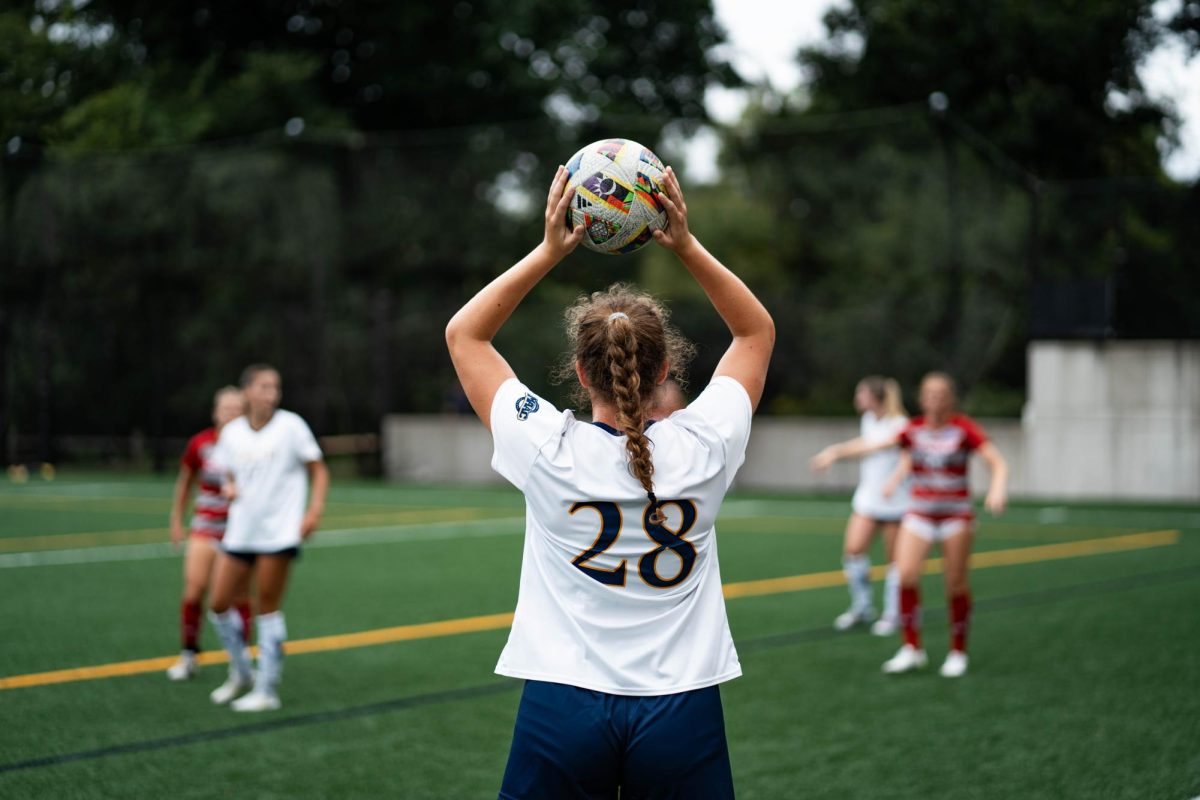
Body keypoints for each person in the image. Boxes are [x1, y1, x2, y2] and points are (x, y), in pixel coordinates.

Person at [445, 163, 774, 798]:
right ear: (667, 369)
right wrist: (684, 243)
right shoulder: (705, 444)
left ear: (579, 370)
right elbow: (755, 331)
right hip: (680, 705)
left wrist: (548, 250)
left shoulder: (546, 446)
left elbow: (466, 335)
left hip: (563, 702)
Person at [816, 372, 1007, 677]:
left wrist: (997, 487)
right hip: (919, 513)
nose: (935, 399)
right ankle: (911, 648)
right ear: (920, 398)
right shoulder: (913, 429)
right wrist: (836, 452)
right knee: (905, 576)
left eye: (941, 393)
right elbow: (876, 446)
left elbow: (995, 461)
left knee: (954, 583)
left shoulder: (963, 428)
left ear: (951, 398)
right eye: (929, 393)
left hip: (955, 516)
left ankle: (958, 650)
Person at [205, 364, 329, 711]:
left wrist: (313, 512)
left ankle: (267, 688)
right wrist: (229, 486)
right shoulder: (232, 433)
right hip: (241, 531)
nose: (271, 393)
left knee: (267, 609)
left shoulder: (291, 426)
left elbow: (318, 470)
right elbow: (226, 472)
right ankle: (241, 671)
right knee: (218, 603)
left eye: (275, 386)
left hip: (278, 533)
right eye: (263, 386)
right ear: (247, 391)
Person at [810, 376, 910, 636]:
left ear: (875, 397)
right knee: (853, 551)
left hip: (896, 501)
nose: (857, 398)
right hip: (868, 499)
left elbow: (876, 448)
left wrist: (835, 452)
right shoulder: (869, 420)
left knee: (894, 560)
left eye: (861, 393)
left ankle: (893, 613)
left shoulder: (900, 424)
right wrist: (836, 451)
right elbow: (864, 444)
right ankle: (863, 607)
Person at [165, 387, 254, 681]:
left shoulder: (253, 444)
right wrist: (177, 518)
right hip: (206, 526)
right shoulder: (201, 443)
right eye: (226, 408)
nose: (231, 413)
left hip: (238, 529)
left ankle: (240, 659)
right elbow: (185, 481)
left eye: (237, 408)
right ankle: (189, 654)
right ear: (216, 412)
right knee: (195, 587)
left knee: (239, 595)